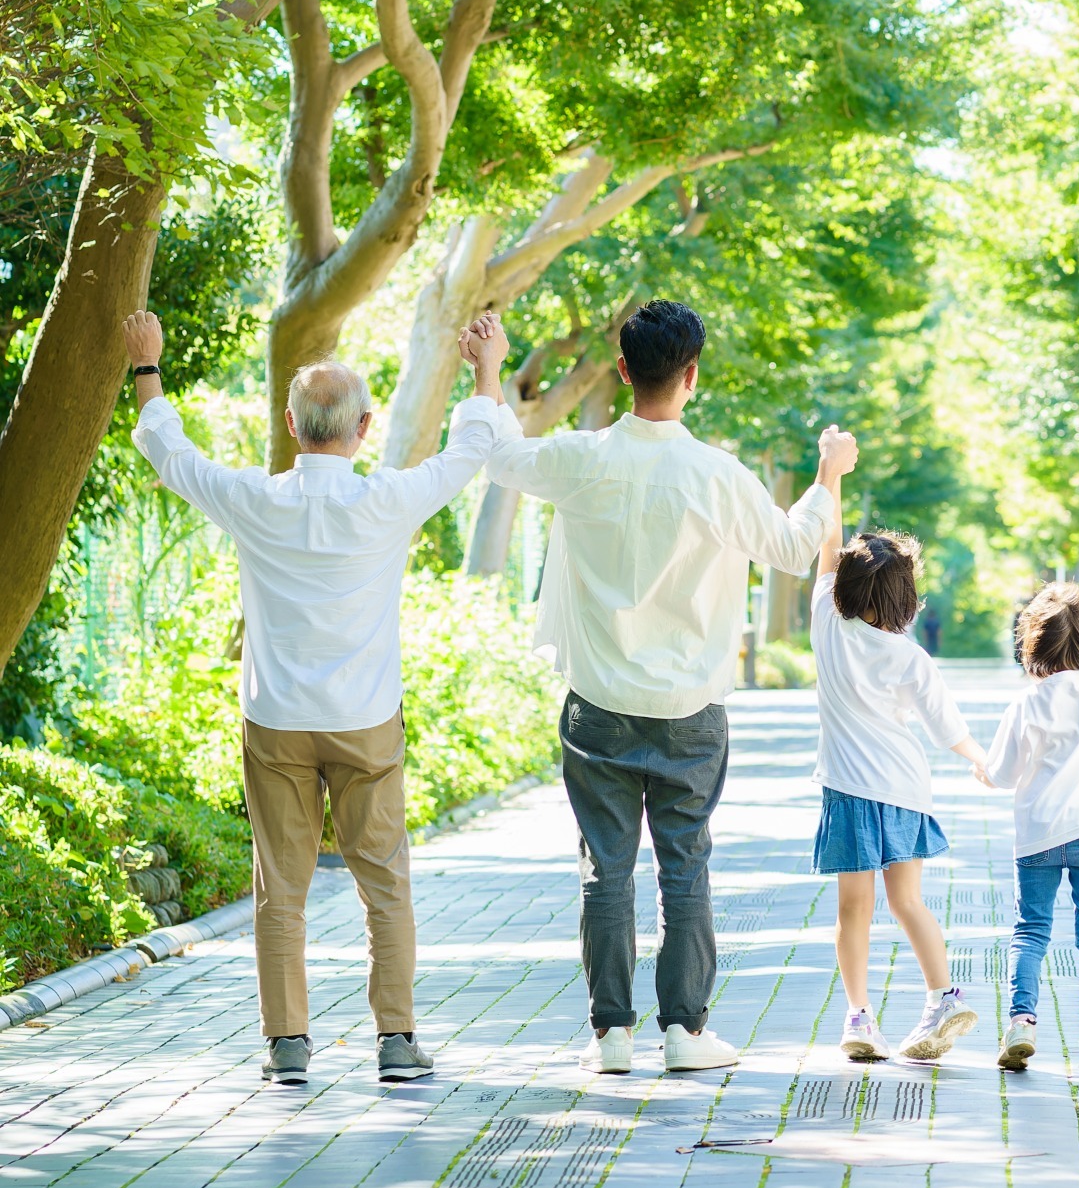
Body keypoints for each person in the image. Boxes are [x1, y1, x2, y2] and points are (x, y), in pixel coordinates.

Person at [124, 308, 513, 1087]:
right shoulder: (387, 501)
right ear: (365, 426)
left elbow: (173, 455)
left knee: (282, 886)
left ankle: (287, 1044)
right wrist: (485, 371)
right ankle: (397, 1039)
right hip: (366, 722)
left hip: (275, 724)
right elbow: (472, 449)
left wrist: (147, 368)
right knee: (384, 882)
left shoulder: (255, 500)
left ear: (292, 425)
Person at [482, 300, 853, 1076]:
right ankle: (685, 1030)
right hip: (689, 711)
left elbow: (502, 457)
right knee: (684, 866)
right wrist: (826, 475)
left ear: (622, 372)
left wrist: (489, 370)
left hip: (598, 709)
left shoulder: (584, 458)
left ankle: (610, 1034)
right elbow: (792, 548)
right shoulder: (716, 473)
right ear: (691, 377)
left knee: (604, 868)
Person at [810, 522, 987, 1062]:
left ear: (844, 585)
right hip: (905, 788)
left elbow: (825, 541)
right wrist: (985, 762)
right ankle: (943, 995)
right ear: (905, 600)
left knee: (853, 910)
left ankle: (859, 1017)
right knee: (907, 900)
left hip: (848, 789)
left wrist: (831, 471)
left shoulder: (826, 623)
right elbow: (948, 731)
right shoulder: (911, 658)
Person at [983, 583, 1079, 1075]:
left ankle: (1021, 1024)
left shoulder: (1026, 705)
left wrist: (982, 772)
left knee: (1030, 930)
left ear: (1032, 643)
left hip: (1038, 836)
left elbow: (1002, 774)